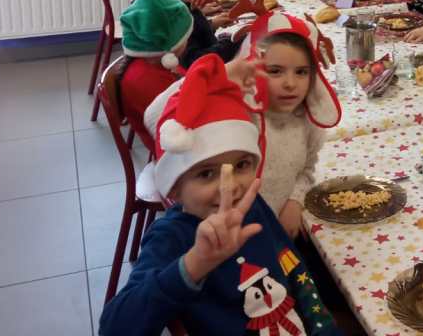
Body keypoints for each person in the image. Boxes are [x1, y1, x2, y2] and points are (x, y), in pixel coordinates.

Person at [99, 54, 340, 336]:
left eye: (242, 165)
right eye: (206, 173)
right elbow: (114, 327)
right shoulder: (172, 237)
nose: (230, 186)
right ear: (174, 187)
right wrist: (196, 263)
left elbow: (296, 273)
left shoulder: (252, 205)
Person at [244, 11, 341, 238]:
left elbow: (306, 170)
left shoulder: (308, 119)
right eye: (275, 71)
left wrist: (295, 200)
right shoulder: (243, 119)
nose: (290, 83)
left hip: (281, 235)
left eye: (301, 72)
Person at [116, 0, 193, 148]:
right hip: (172, 146)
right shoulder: (148, 80)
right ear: (172, 43)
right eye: (186, 37)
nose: (188, 41)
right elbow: (180, 122)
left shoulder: (156, 64)